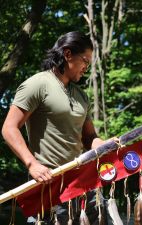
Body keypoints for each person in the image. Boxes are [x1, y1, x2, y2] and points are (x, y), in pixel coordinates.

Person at [2, 31, 104, 224]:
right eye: (85, 60)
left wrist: (106, 145)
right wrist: (32, 164)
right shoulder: (37, 84)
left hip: (82, 183)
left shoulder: (81, 95)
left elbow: (90, 138)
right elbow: (9, 128)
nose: (86, 67)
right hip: (48, 185)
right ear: (67, 54)